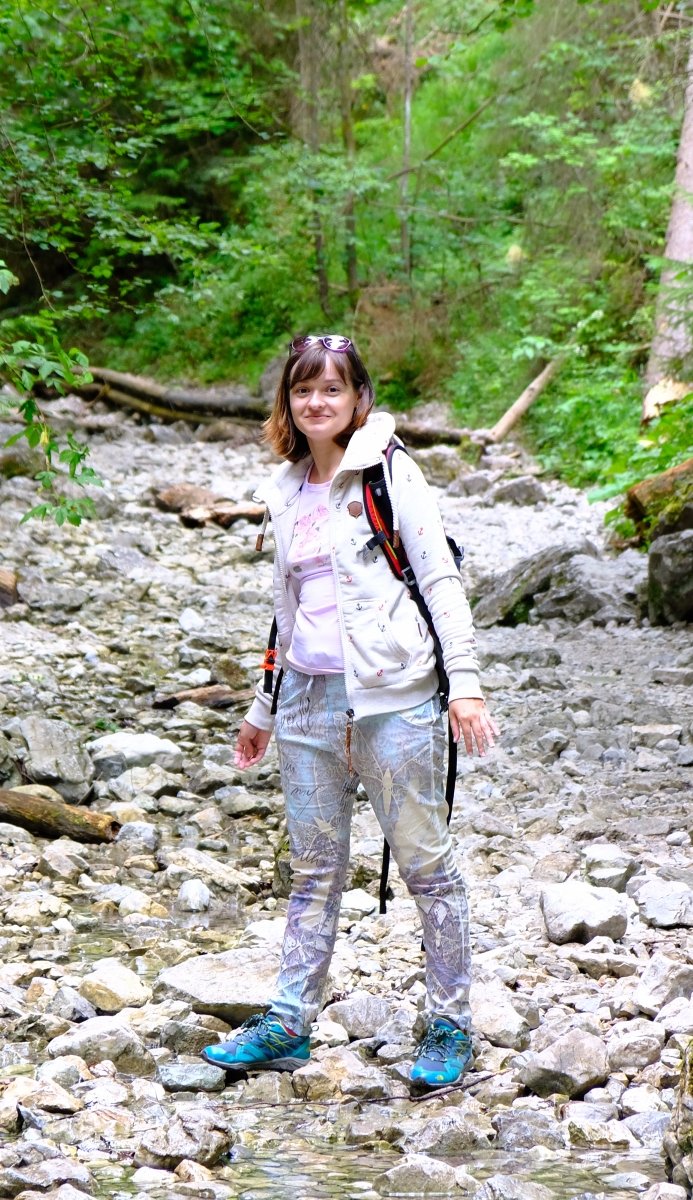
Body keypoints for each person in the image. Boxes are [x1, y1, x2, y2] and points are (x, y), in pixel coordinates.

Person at [200, 334, 499, 1088]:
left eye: (332, 388)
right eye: (303, 390)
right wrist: (263, 707)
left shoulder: (390, 472)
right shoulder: (286, 486)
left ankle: (450, 1025)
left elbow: (440, 579)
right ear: (288, 402)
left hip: (393, 699)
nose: (317, 402)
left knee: (427, 867)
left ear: (358, 397)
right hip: (305, 700)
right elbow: (288, 608)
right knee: (313, 871)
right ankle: (288, 1024)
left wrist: (464, 683)